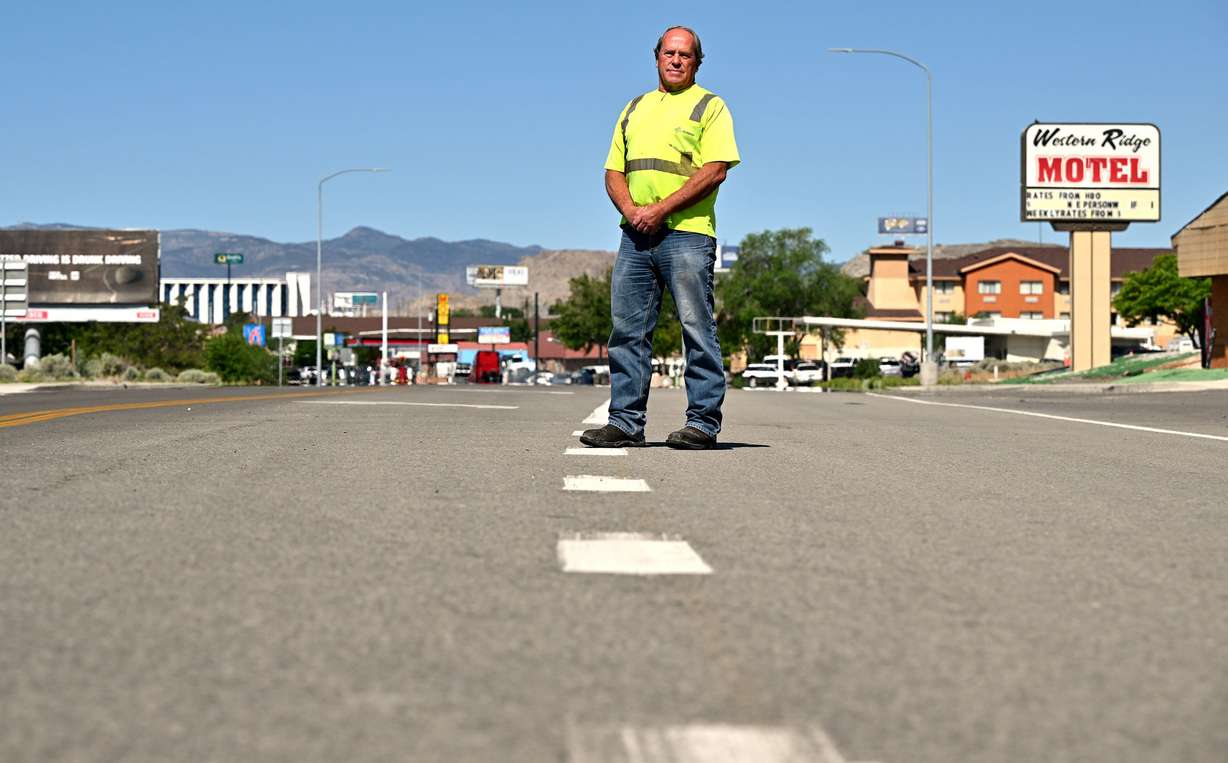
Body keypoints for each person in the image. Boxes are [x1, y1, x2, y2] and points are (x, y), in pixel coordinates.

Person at [580, 25, 740, 451]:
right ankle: (626, 423)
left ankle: (702, 424)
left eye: (684, 55)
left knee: (696, 327)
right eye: (669, 53)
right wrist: (633, 212)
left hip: (686, 234)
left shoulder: (710, 106)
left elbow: (715, 169)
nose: (675, 60)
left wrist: (659, 210)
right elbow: (613, 171)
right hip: (635, 236)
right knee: (627, 331)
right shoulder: (634, 108)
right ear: (656, 57)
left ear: (696, 62)